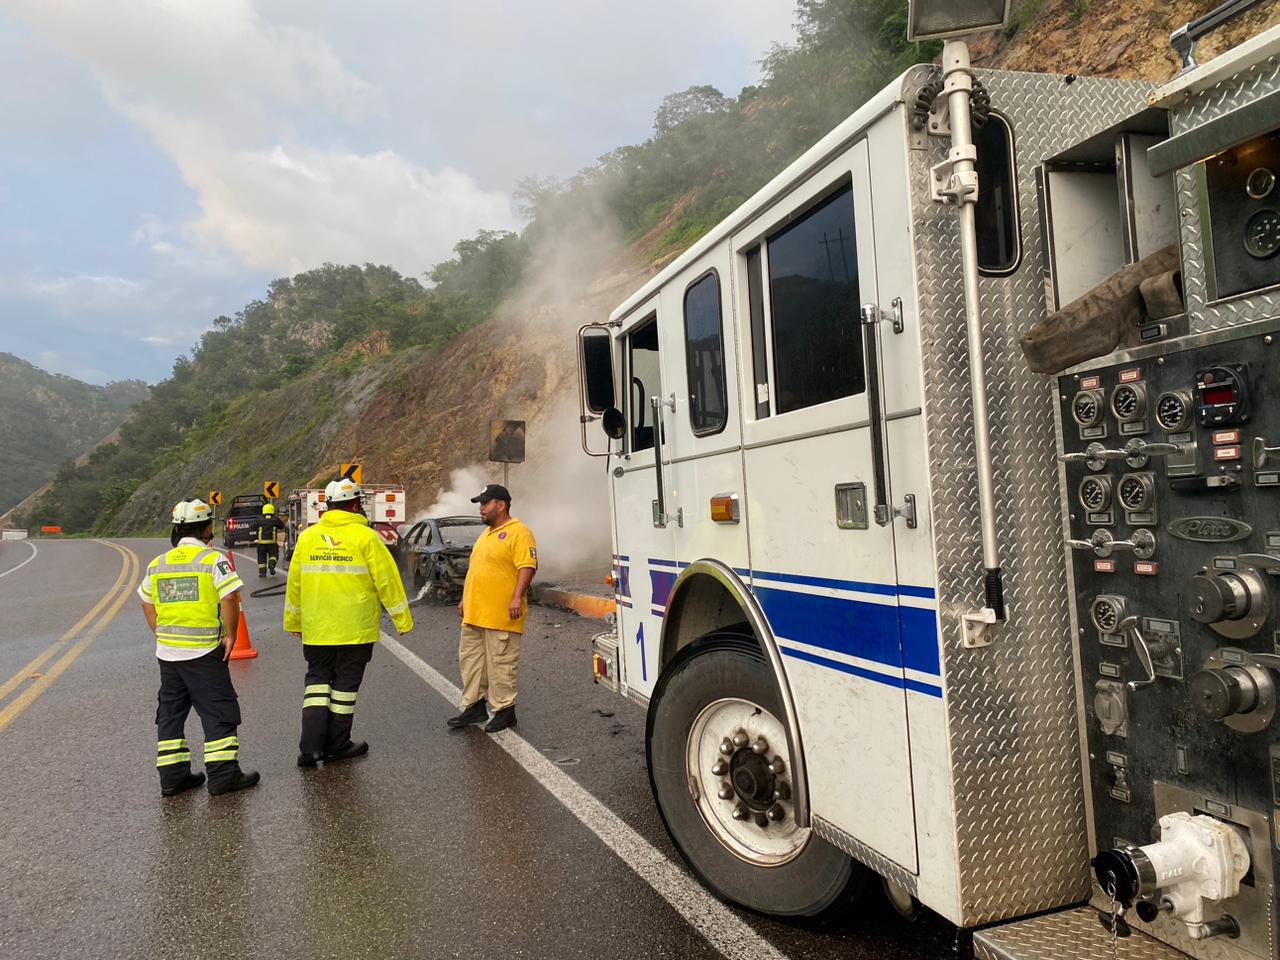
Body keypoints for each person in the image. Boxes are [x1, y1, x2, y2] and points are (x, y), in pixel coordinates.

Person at [284, 476, 413, 767]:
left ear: (328, 506)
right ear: (356, 504)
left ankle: (310, 748)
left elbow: (295, 584)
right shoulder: (366, 537)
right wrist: (402, 619)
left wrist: (294, 621)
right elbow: (387, 581)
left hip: (317, 629)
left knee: (316, 684)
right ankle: (337, 745)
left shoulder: (306, 538)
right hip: (354, 630)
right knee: (344, 688)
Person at [138, 498, 260, 797]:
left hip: (168, 653)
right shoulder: (210, 559)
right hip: (204, 651)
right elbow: (229, 597)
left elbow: (146, 600)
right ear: (207, 528)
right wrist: (231, 635)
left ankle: (173, 778)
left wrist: (161, 633)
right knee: (218, 711)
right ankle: (223, 776)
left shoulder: (159, 562)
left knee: (170, 714)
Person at [447, 484, 537, 733]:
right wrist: (466, 599)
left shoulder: (519, 532)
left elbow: (527, 566)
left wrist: (517, 597)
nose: (481, 508)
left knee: (501, 664)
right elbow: (476, 570)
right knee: (472, 663)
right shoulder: (485, 535)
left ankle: (505, 711)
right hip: (475, 614)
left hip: (501, 615)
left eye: (484, 503)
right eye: (480, 504)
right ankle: (474, 707)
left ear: (501, 504)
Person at [255, 502, 286, 578]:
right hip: (272, 543)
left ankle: (262, 573)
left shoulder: (259, 519)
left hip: (261, 543)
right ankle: (271, 564)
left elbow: (252, 526)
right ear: (273, 510)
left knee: (261, 557)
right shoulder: (275, 519)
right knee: (274, 555)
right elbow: (282, 526)